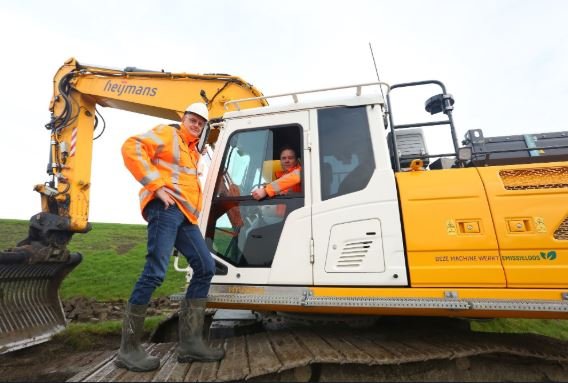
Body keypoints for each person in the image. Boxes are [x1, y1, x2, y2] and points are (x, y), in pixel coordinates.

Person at [117, 103, 224, 372]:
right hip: (165, 210)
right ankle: (128, 349)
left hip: (186, 217)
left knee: (205, 267)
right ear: (182, 118)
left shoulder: (192, 151)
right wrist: (156, 187)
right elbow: (131, 147)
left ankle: (190, 344)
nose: (196, 125)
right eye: (192, 119)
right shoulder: (168, 134)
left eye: (201, 122)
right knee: (155, 273)